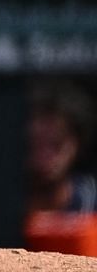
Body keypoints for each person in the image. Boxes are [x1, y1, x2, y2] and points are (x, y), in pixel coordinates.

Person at [29, 83, 97, 216]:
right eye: (35, 144)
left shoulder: (92, 202)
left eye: (55, 144)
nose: (45, 156)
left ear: (76, 144)